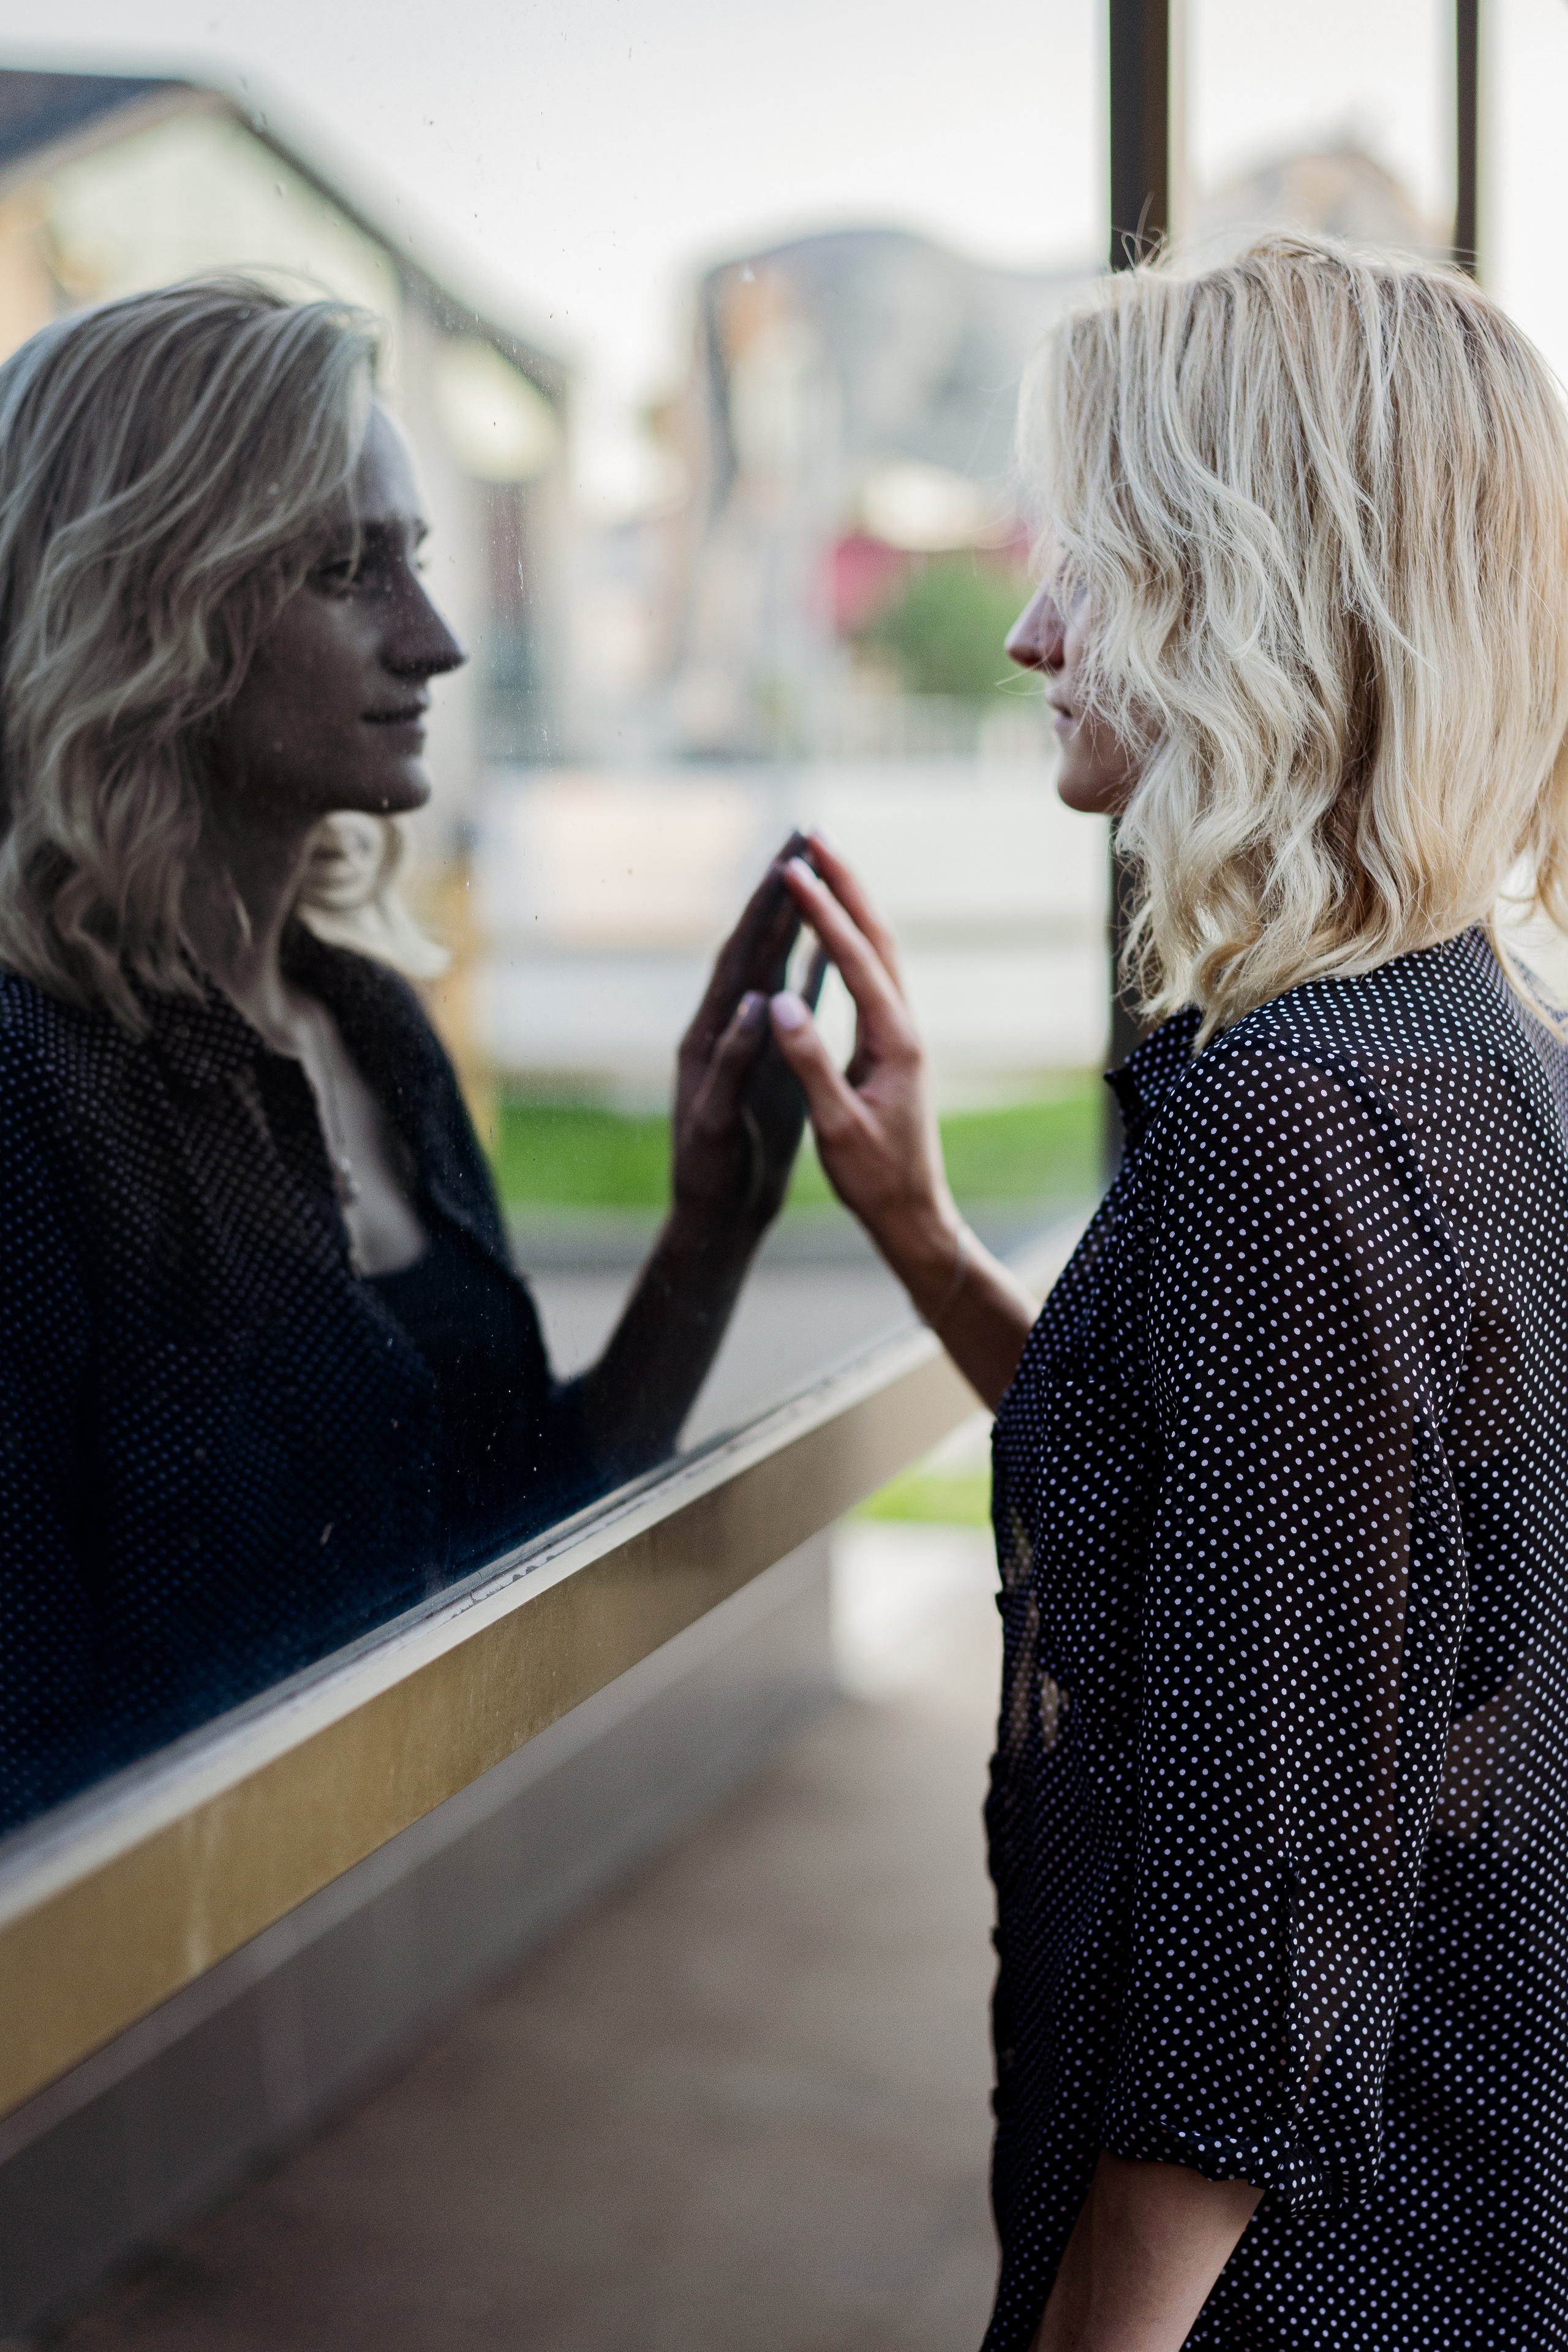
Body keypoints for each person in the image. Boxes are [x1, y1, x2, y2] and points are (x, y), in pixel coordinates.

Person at [768, 235, 1568, 2349]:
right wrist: (935, 1244)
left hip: (1330, 2290)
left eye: (1096, 563)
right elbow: (1283, 1566)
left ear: (1261, 602)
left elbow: (1254, 1946)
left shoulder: (1291, 1134)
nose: (1029, 631)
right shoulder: (1461, 1044)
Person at [0, 280, 813, 1835]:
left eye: (416, 561)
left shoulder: (374, 1029)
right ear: (142, 611)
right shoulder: (28, 1081)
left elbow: (502, 1542)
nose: (434, 642)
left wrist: (717, 1222)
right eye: (342, 571)